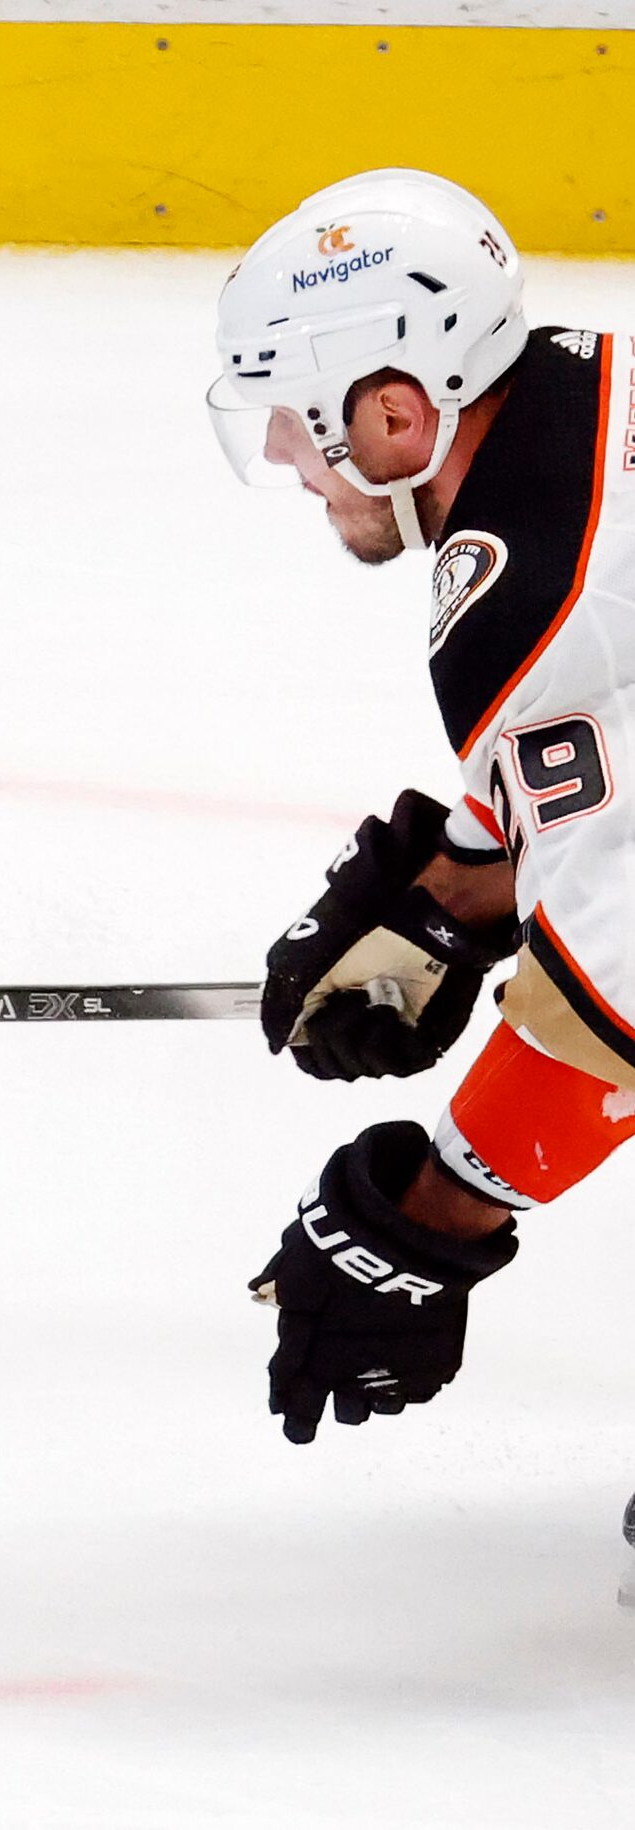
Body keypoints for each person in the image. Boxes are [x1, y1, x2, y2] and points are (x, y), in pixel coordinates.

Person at [208, 166, 635, 1442]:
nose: (286, 457)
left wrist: (436, 1209)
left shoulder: (531, 594)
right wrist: (458, 886)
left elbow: (625, 977)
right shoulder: (579, 387)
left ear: (395, 417)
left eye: (294, 419)